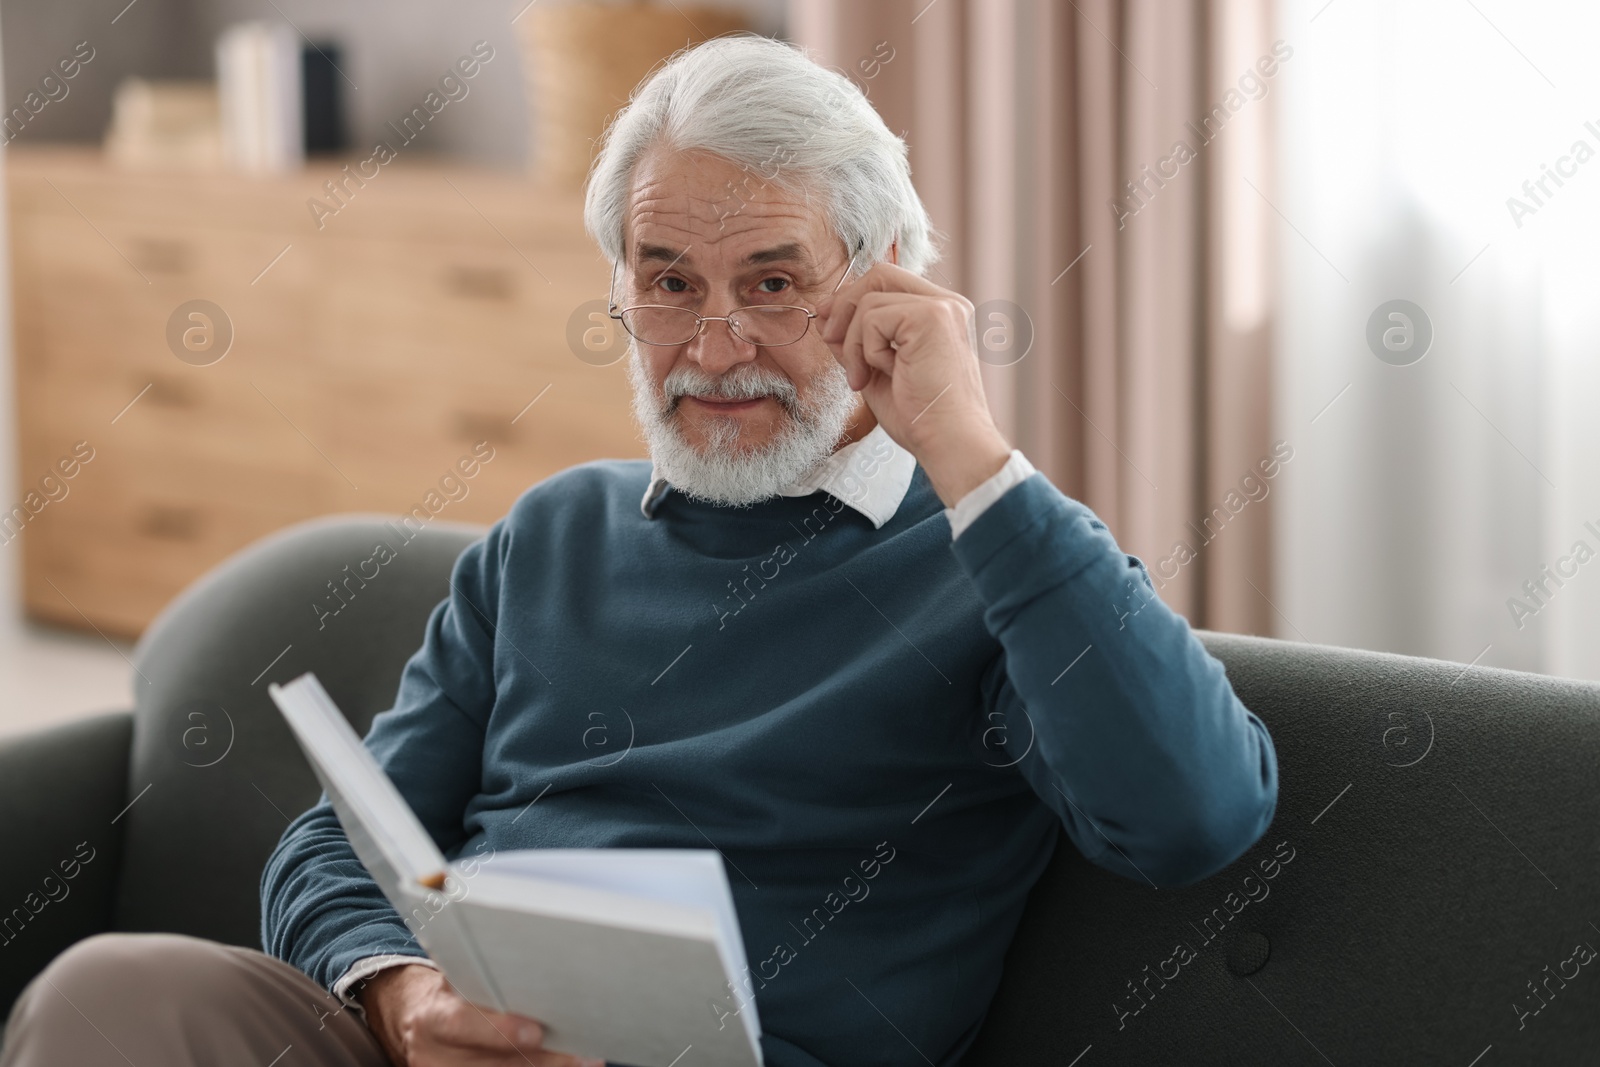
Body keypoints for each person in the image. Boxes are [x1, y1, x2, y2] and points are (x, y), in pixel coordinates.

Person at [0, 32, 1277, 1067]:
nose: (713, 346)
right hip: (446, 1043)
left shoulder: (992, 552)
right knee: (116, 992)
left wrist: (970, 454)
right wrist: (401, 993)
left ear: (883, 287)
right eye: (667, 282)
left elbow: (1193, 814)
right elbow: (346, 838)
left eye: (772, 285)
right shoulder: (553, 532)